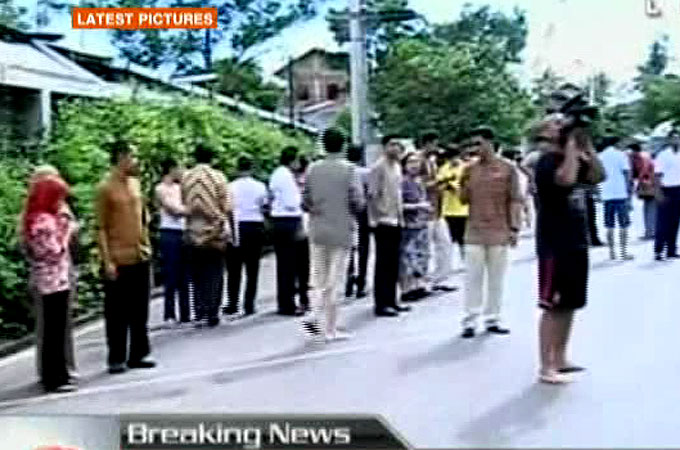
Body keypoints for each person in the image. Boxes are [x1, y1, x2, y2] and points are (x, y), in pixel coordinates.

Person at [534, 113, 605, 384]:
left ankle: (561, 358)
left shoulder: (573, 155)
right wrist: (572, 148)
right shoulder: (547, 160)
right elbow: (565, 180)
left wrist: (586, 145)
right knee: (553, 305)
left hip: (576, 240)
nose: (561, 125)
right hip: (555, 243)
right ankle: (546, 366)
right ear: (545, 132)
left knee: (570, 303)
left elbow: (598, 176)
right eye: (555, 123)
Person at [96, 140, 155, 374]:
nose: (136, 161)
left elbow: (143, 218)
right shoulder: (105, 188)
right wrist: (107, 260)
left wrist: (147, 245)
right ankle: (116, 357)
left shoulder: (135, 184)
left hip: (140, 253)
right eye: (133, 156)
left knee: (140, 309)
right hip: (118, 257)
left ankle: (138, 353)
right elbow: (100, 227)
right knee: (117, 312)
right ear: (121, 157)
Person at [459, 127, 523, 338]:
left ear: (490, 143)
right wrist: (463, 182)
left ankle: (493, 318)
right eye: (472, 144)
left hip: (499, 229)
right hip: (474, 231)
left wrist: (514, 228)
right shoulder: (470, 169)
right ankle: (470, 320)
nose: (475, 148)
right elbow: (463, 200)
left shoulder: (508, 168)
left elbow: (515, 199)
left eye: (479, 143)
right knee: (472, 277)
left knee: (496, 278)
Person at [18, 166, 78, 385]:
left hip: (55, 279)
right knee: (53, 330)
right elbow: (55, 251)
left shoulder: (41, 218)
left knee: (57, 329)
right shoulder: (42, 222)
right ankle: (55, 377)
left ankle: (60, 372)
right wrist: (67, 230)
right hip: (51, 281)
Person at [302, 128, 364, 341]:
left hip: (318, 228)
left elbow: (305, 200)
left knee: (318, 277)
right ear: (343, 145)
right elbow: (357, 200)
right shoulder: (350, 170)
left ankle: (313, 312)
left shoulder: (312, 169)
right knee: (335, 279)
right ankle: (330, 328)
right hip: (342, 228)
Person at [181, 144, 232, 328]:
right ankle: (212, 312)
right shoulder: (218, 177)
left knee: (197, 274)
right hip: (213, 233)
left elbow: (183, 203)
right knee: (215, 273)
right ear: (213, 158)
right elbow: (227, 206)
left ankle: (199, 311)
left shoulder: (186, 177)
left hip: (192, 232)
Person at [367, 136, 412, 317]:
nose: (396, 148)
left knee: (394, 263)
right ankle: (382, 303)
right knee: (383, 264)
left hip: (396, 219)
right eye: (392, 144)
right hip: (383, 221)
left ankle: (392, 300)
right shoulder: (378, 167)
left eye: (398, 145)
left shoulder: (397, 167)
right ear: (384, 147)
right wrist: (375, 218)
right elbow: (372, 195)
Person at [224, 156, 268, 316]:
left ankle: (232, 303)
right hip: (255, 226)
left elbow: (226, 208)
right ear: (252, 168)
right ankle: (249, 304)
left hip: (236, 225)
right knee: (252, 268)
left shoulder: (230, 186)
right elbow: (264, 206)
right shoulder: (260, 186)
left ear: (237, 168)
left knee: (233, 268)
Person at [269, 146, 306, 316]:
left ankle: (284, 301)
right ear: (292, 160)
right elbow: (292, 202)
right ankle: (288, 304)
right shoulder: (286, 176)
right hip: (289, 221)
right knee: (290, 265)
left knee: (284, 265)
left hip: (279, 221)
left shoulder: (277, 174)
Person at [420, 133, 457, 292]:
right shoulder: (418, 161)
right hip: (425, 211)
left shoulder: (432, 162)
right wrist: (441, 181)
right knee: (425, 248)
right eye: (434, 144)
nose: (436, 148)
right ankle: (422, 280)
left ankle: (441, 278)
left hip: (437, 209)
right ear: (427, 144)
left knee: (445, 243)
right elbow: (419, 184)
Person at [155, 158, 190, 324]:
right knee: (171, 274)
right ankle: (169, 314)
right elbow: (173, 209)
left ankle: (185, 313)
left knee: (185, 274)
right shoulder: (160, 189)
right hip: (169, 232)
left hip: (183, 231)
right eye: (179, 168)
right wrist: (190, 210)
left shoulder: (181, 188)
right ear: (171, 169)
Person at [399, 151, 433, 301]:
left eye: (417, 162)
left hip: (421, 224)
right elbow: (398, 205)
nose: (414, 165)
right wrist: (418, 206)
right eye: (410, 162)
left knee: (421, 256)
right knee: (408, 258)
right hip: (408, 226)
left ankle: (419, 286)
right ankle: (407, 289)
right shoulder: (402, 182)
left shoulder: (418, 182)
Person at [598, 137, 634, 260]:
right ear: (617, 143)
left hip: (606, 194)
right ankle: (623, 253)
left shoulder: (600, 156)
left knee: (609, 225)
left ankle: (612, 252)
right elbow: (627, 173)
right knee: (623, 224)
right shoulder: (621, 155)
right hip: (620, 194)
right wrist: (629, 191)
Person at [346, 144, 371, 299]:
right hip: (362, 214)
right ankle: (361, 281)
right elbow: (369, 193)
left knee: (349, 248)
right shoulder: (365, 173)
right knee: (363, 248)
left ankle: (349, 278)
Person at [438, 147, 470, 265]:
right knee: (449, 239)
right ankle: (449, 263)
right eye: (450, 158)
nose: (453, 160)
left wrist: (452, 185)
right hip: (448, 209)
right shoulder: (443, 169)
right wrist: (445, 185)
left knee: (464, 238)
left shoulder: (465, 168)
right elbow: (439, 185)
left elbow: (467, 185)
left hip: (464, 209)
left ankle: (466, 260)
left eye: (455, 157)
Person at [654, 130, 680, 261]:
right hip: (666, 190)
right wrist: (658, 193)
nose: (676, 140)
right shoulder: (663, 155)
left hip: (678, 189)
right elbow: (657, 175)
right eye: (673, 138)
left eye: (678, 138)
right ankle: (658, 251)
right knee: (663, 222)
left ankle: (671, 250)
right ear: (669, 140)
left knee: (675, 222)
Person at [294, 156, 311, 311]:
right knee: (305, 263)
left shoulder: (292, 180)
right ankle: (304, 298)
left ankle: (300, 294)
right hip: (307, 224)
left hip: (295, 223)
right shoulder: (310, 181)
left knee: (297, 262)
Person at [629, 143, 656, 240]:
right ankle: (650, 232)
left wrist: (638, 184)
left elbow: (643, 171)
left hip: (649, 185)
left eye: (630, 151)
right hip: (651, 183)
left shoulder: (641, 157)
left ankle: (650, 233)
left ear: (634, 151)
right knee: (649, 208)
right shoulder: (644, 155)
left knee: (650, 209)